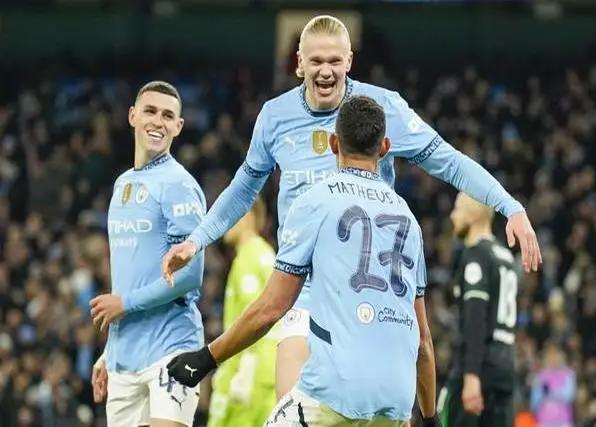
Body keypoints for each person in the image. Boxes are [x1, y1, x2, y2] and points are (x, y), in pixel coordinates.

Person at [162, 15, 542, 398]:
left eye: (334, 61)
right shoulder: (275, 117)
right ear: (299, 63)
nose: (326, 71)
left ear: (349, 61)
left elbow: (448, 160)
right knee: (290, 408)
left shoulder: (380, 108)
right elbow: (244, 187)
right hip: (302, 288)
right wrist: (197, 240)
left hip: (367, 292)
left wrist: (509, 206)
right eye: (316, 61)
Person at [166, 96, 438, 426]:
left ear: (334, 144)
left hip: (336, 393)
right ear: (384, 148)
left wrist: (207, 357)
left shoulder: (317, 200)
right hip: (396, 401)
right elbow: (423, 339)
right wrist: (431, 418)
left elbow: (273, 307)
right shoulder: (409, 221)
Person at [89, 81, 206, 427]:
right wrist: (110, 351)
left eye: (168, 116)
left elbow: (190, 275)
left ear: (178, 126)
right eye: (150, 111)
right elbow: (129, 275)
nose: (158, 121)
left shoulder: (179, 184)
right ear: (132, 116)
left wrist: (124, 304)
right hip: (125, 357)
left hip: (172, 346)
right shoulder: (122, 184)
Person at [437, 193, 519, 427]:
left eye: (458, 208)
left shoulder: (476, 256)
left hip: (478, 369)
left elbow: (476, 320)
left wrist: (471, 375)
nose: (453, 216)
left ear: (474, 213)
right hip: (504, 370)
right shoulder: (505, 256)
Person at [208, 197, 278, 427]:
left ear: (246, 216)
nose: (225, 223)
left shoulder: (248, 259)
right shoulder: (266, 253)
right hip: (267, 373)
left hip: (248, 373)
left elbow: (255, 318)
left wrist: (243, 370)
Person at [529, 343, 576, 427]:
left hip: (563, 420)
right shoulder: (540, 376)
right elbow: (535, 401)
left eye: (555, 355)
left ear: (561, 356)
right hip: (544, 419)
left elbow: (569, 396)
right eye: (550, 356)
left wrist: (550, 392)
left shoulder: (568, 374)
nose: (553, 359)